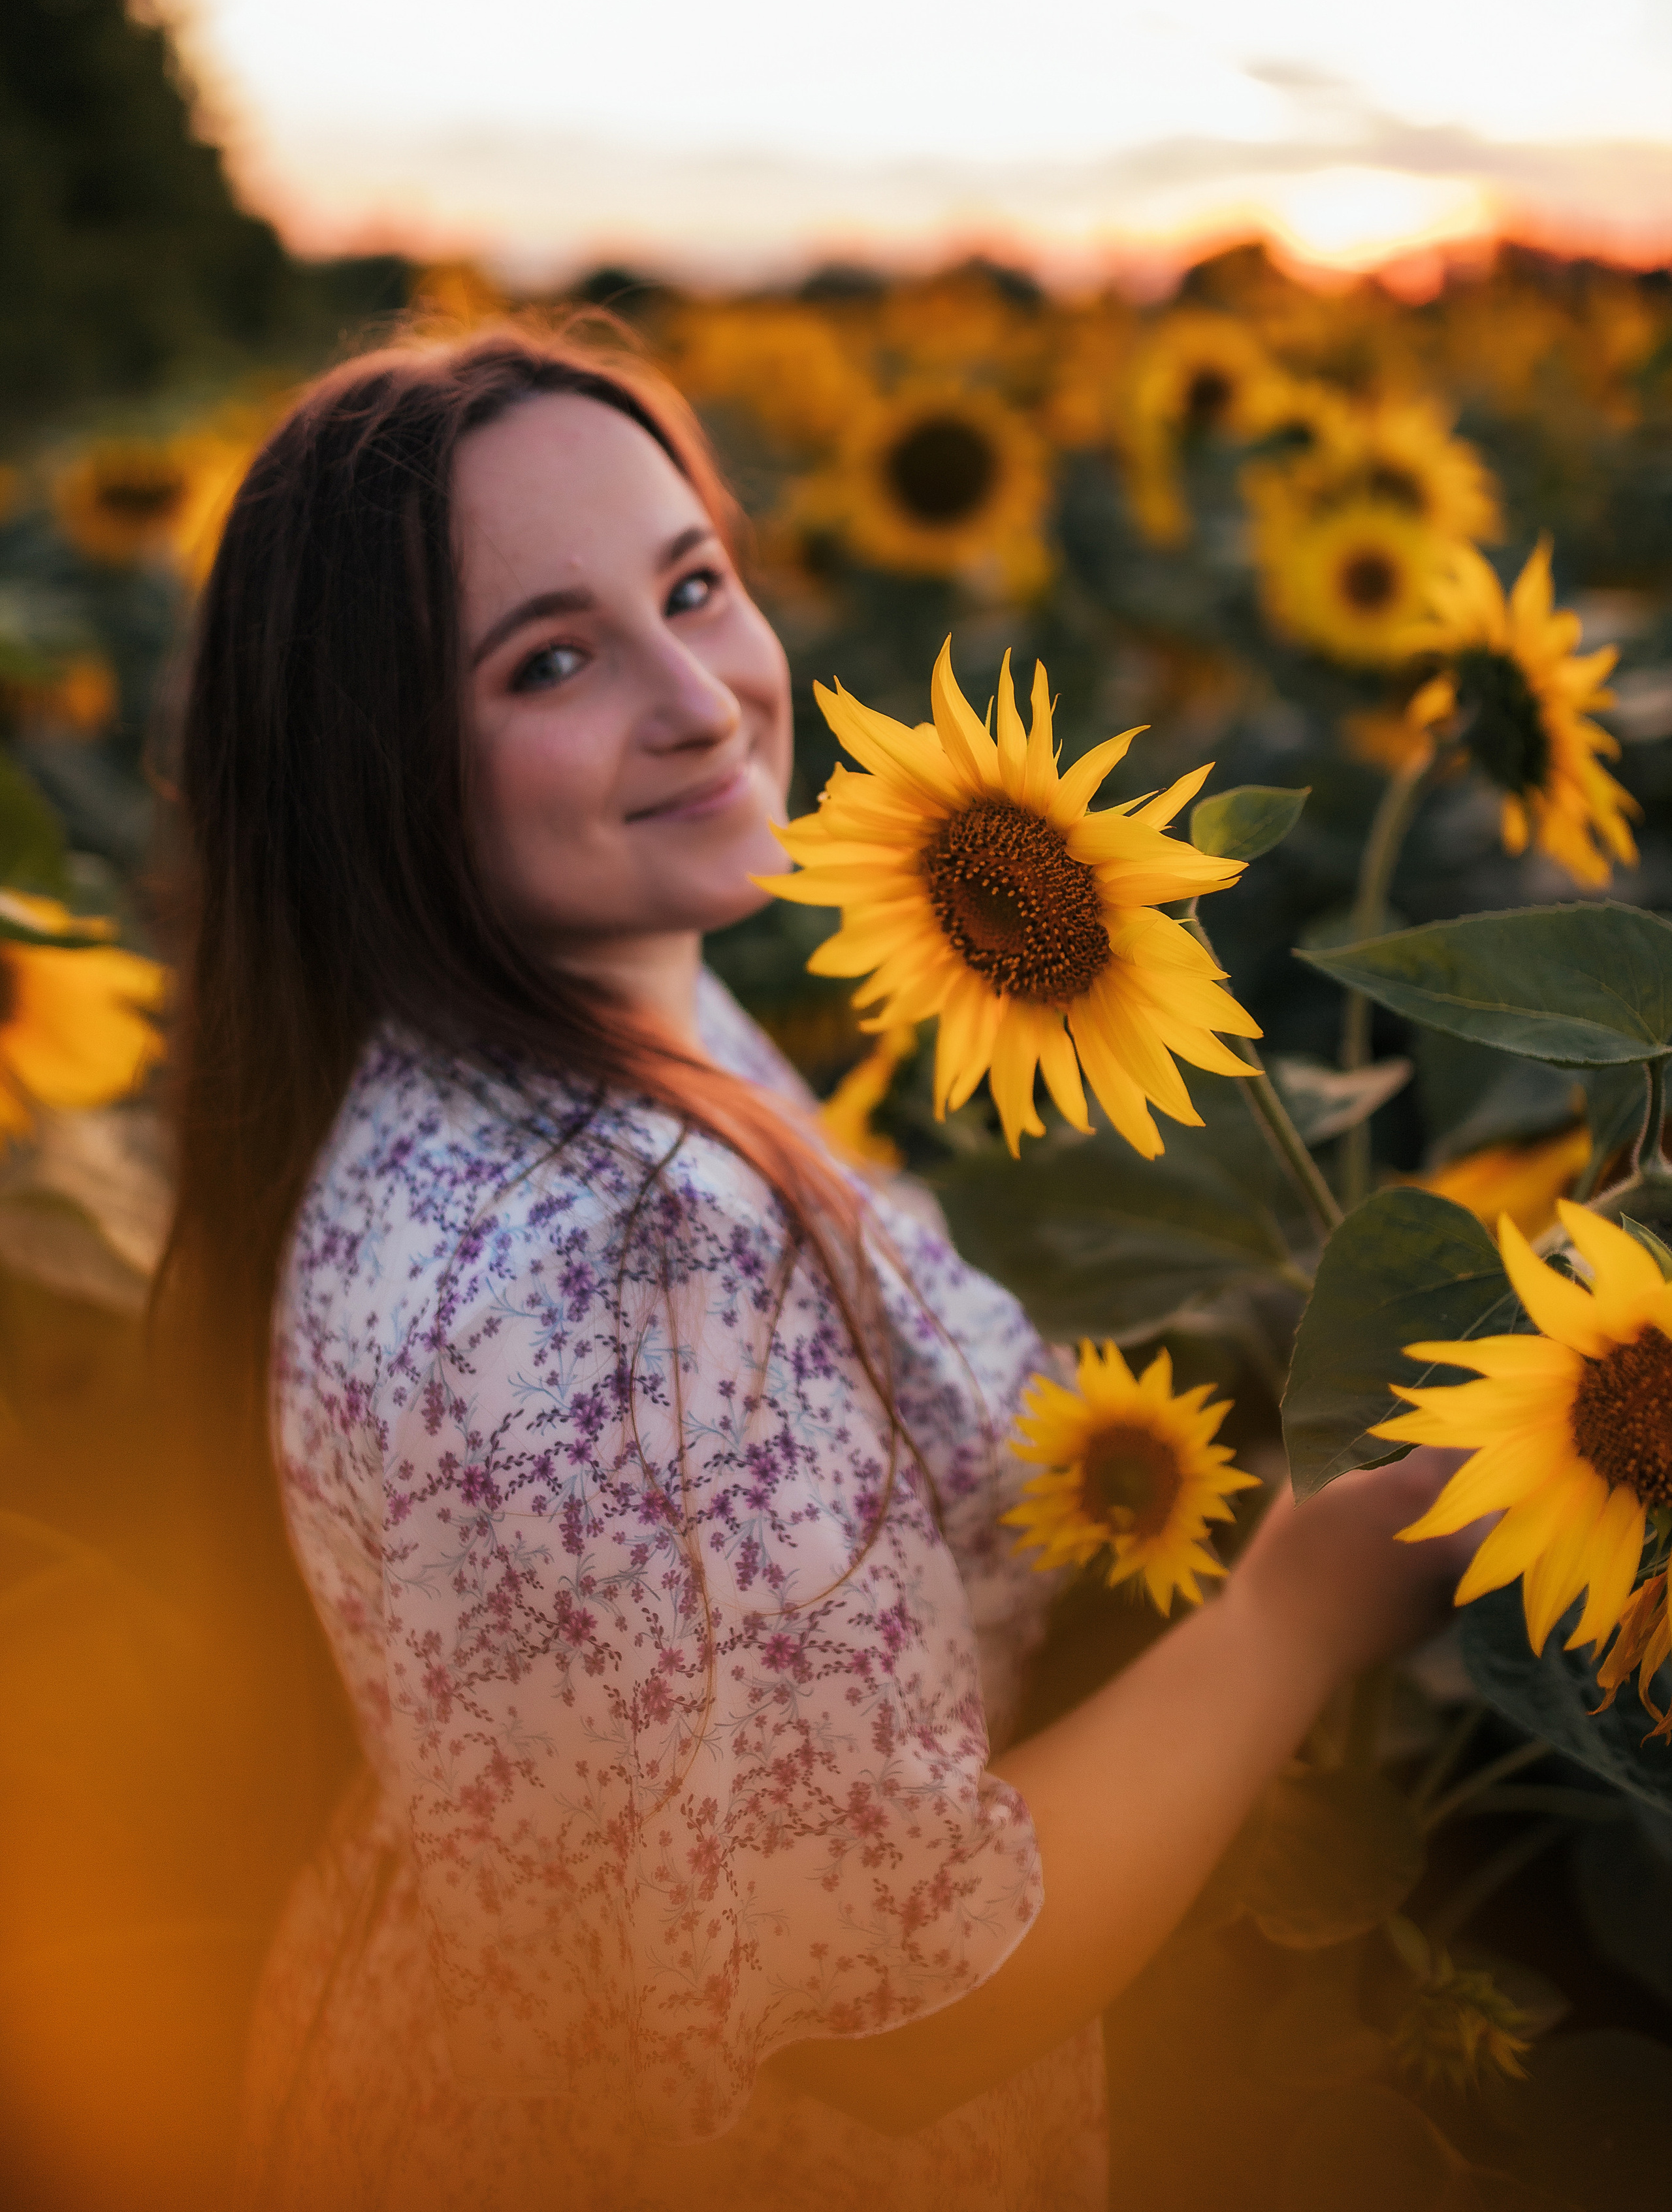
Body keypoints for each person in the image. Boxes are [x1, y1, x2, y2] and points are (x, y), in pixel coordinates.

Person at [161, 327, 1471, 2212]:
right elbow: (884, 2014)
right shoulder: (625, 1260)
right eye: (552, 657)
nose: (704, 697)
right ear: (375, 767)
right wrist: (1294, 1620)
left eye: (694, 585)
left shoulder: (520, 1049)